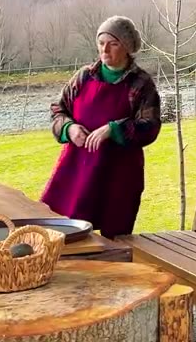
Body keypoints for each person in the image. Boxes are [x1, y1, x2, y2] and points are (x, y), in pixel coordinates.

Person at [42, 16, 161, 237]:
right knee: (63, 235)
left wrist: (113, 129)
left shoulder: (140, 83)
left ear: (126, 47)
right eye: (101, 43)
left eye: (113, 43)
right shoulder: (84, 77)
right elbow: (58, 110)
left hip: (119, 176)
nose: (105, 49)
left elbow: (150, 126)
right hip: (77, 170)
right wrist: (69, 129)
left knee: (115, 242)